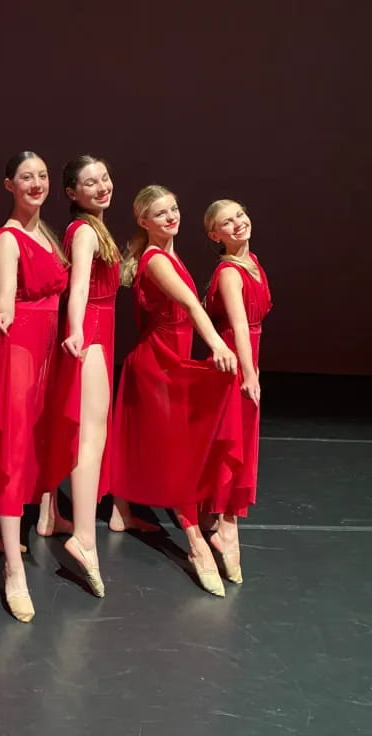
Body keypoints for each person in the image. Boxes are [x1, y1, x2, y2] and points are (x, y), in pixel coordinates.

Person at [110, 185, 241, 597]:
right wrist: (218, 345)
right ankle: (196, 543)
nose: (171, 216)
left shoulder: (169, 253)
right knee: (177, 449)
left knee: (171, 443)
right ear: (143, 221)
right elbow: (190, 306)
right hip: (157, 364)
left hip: (171, 360)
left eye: (175, 208)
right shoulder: (154, 258)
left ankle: (122, 512)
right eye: (161, 212)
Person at [0, 151, 68, 621]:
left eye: (43, 176)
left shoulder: (45, 233)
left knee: (19, 443)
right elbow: (6, 294)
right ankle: (14, 569)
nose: (36, 183)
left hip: (47, 349)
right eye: (26, 177)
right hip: (19, 349)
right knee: (12, 447)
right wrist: (3, 312)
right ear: (9, 184)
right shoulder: (9, 238)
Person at [201, 199, 272, 583]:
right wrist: (249, 373)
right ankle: (226, 525)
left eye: (241, 215)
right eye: (227, 223)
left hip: (249, 358)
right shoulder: (229, 272)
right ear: (216, 235)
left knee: (241, 440)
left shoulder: (253, 262)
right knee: (233, 443)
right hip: (234, 362)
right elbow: (240, 327)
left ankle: (222, 519)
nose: (238, 224)